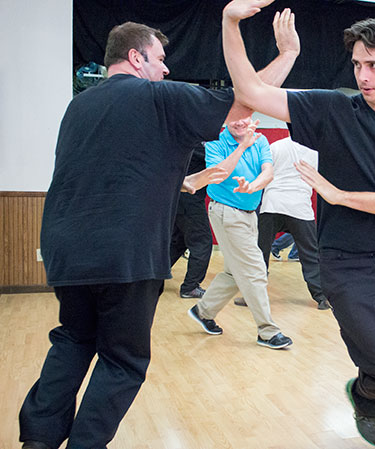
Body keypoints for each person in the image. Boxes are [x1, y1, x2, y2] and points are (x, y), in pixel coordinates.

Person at [19, 11, 299, 449]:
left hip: (63, 250)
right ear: (136, 58)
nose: (166, 68)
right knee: (122, 361)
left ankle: (37, 440)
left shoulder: (79, 105)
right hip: (123, 253)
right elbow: (246, 99)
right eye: (160, 58)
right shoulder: (158, 98)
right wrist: (288, 53)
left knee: (74, 339)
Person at [221, 2, 375, 448]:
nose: (363, 75)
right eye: (357, 64)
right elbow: (250, 92)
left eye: (374, 64)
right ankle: (366, 398)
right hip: (346, 267)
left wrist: (338, 196)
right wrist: (231, 22)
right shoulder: (332, 111)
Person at [187, 116, 293, 349]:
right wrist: (243, 145)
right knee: (255, 270)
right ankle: (267, 331)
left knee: (234, 273)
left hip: (248, 212)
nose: (239, 123)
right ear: (225, 120)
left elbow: (268, 172)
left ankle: (203, 311)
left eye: (243, 118)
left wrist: (253, 187)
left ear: (252, 117)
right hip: (226, 212)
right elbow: (220, 174)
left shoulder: (261, 140)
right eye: (233, 118)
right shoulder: (216, 142)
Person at [257, 136, 330, 310]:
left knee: (261, 252)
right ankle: (321, 297)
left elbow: (263, 173)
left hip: (272, 204)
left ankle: (253, 296)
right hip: (299, 206)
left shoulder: (275, 146)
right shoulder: (316, 149)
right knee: (311, 254)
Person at [170, 143, 214, 299]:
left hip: (177, 197)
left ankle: (155, 276)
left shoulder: (185, 141)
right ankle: (190, 287)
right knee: (202, 241)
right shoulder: (199, 145)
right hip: (189, 198)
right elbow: (217, 165)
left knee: (179, 240)